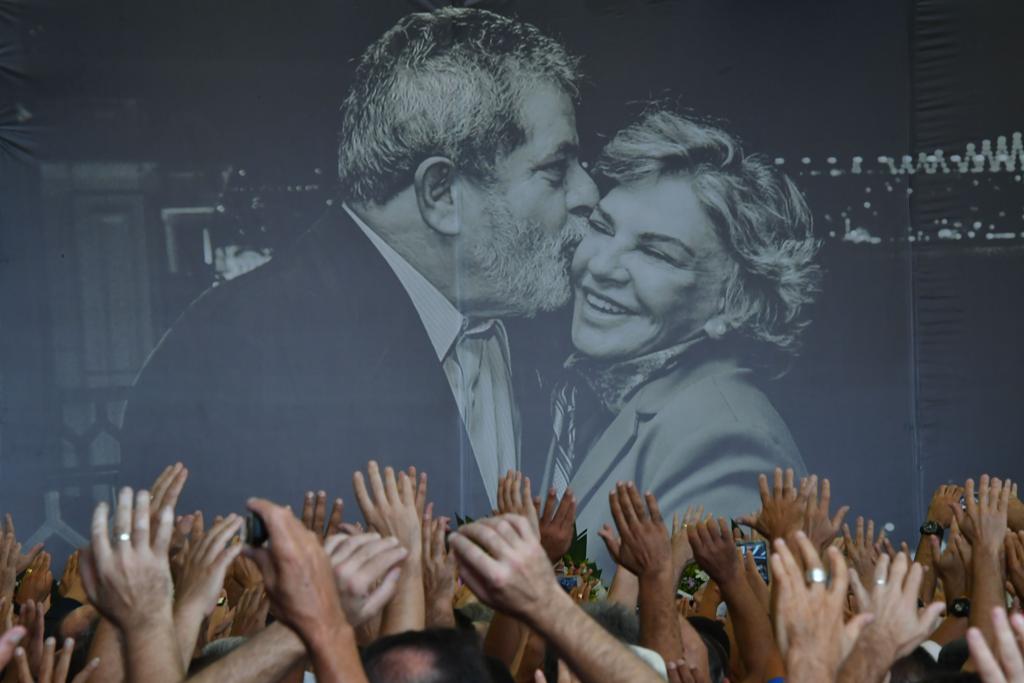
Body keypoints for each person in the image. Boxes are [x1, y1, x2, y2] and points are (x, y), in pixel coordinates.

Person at [119, 7, 598, 517]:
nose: (588, 192)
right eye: (554, 169)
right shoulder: (229, 366)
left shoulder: (536, 322)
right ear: (442, 194)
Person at [537, 109, 821, 572]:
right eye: (602, 227)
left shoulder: (728, 443)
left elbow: (698, 640)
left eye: (654, 252)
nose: (599, 266)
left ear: (733, 304)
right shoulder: (595, 392)